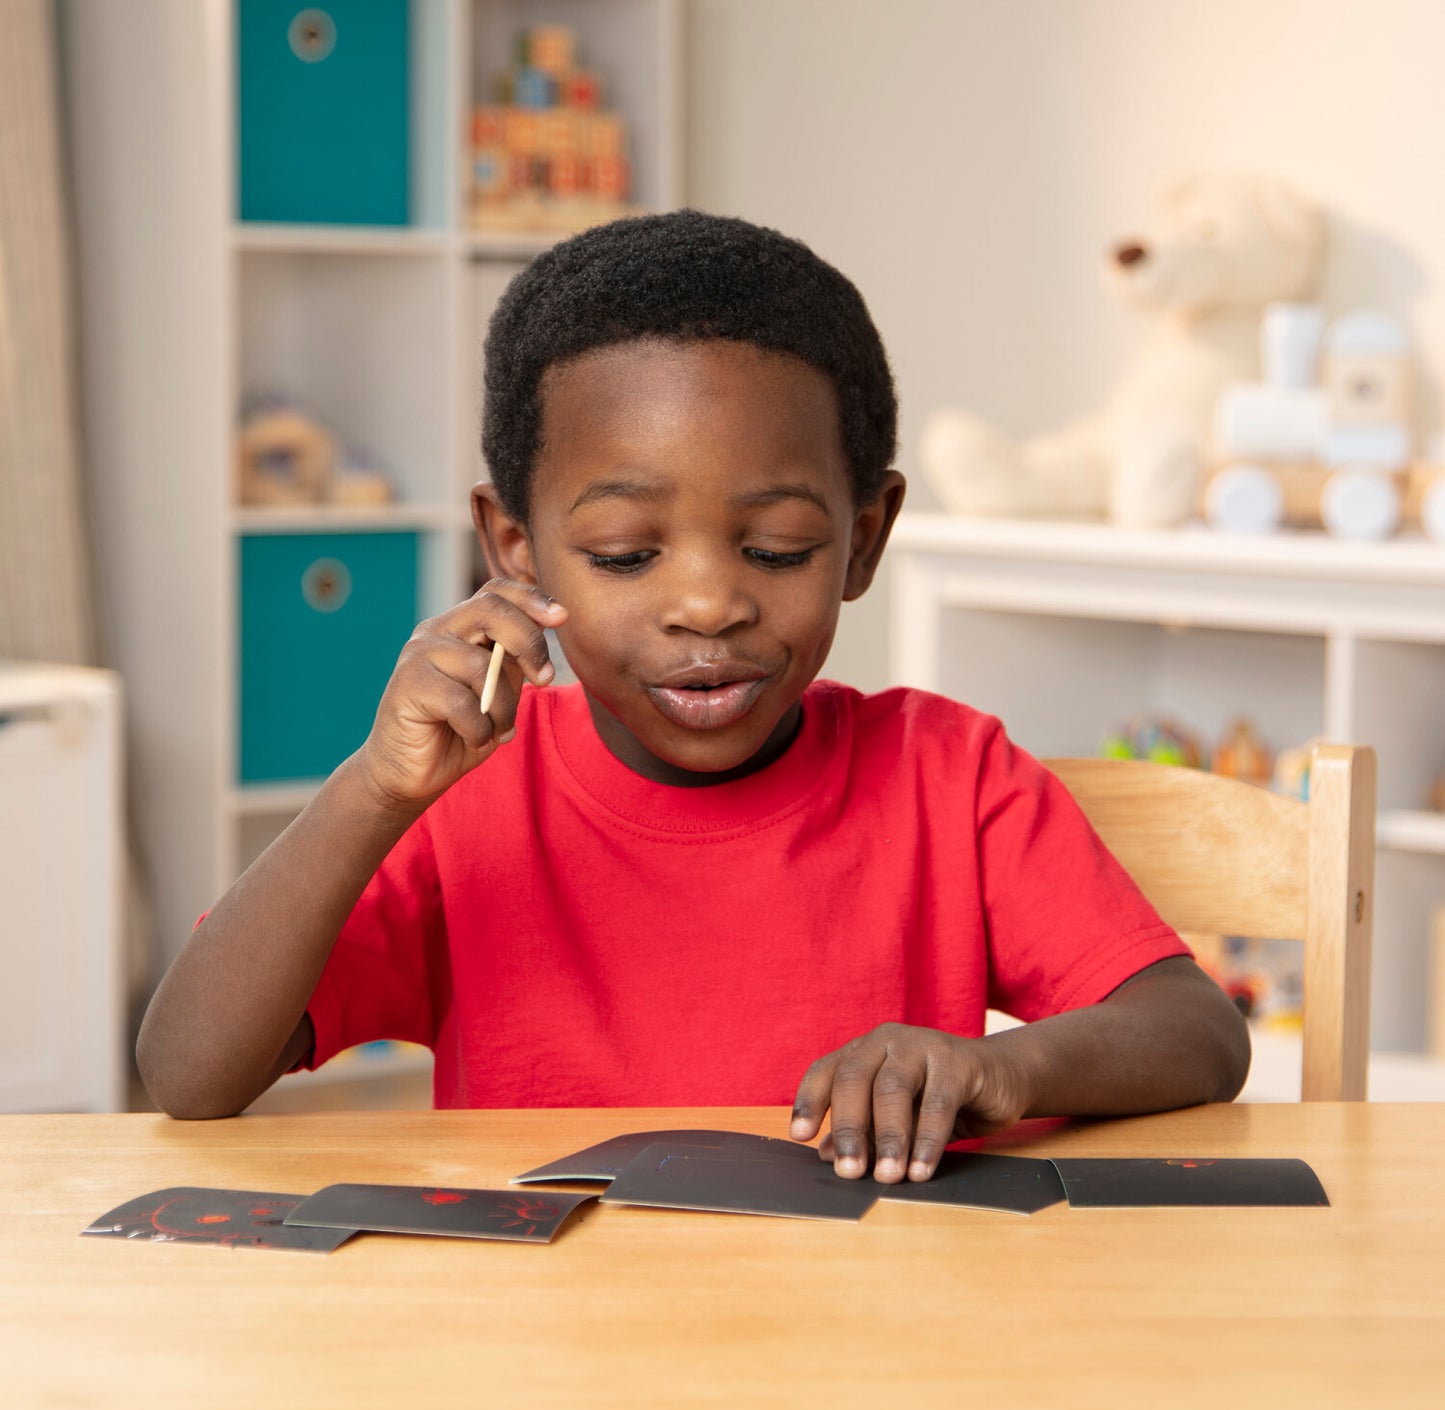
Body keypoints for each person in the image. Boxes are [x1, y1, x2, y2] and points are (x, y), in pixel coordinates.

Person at [138, 210, 1250, 1183]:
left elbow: (1196, 1031)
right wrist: (373, 790)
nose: (708, 605)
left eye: (776, 547)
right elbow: (186, 1071)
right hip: (548, 1367)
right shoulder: (466, 800)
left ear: (863, 539)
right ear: (516, 549)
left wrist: (1003, 1066)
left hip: (863, 1347)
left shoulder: (946, 776)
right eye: (626, 554)